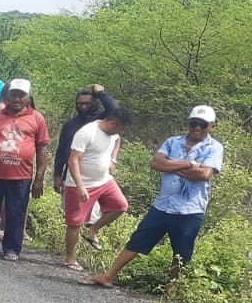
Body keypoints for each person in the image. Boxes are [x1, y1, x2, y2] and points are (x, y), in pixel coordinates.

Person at [84, 106, 224, 289]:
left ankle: (171, 289)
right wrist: (189, 165)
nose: (197, 128)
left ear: (211, 126)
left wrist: (170, 165)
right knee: (137, 241)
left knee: (181, 253)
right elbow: (156, 163)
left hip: (190, 209)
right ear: (188, 123)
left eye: (202, 124)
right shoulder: (172, 142)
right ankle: (108, 276)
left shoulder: (215, 148)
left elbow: (204, 174)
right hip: (162, 205)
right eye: (193, 123)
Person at [0, 79, 49, 261]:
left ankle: (12, 249)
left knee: (16, 213)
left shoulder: (37, 118)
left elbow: (42, 149)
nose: (17, 98)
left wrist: (39, 178)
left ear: (28, 97)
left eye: (21, 95)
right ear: (7, 96)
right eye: (13, 94)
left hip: (21, 176)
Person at [61, 107, 132, 270]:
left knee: (120, 206)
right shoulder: (87, 132)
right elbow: (73, 160)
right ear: (112, 123)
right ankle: (69, 258)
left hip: (104, 180)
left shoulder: (113, 133)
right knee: (75, 222)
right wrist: (79, 186)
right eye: (121, 128)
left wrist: (113, 160)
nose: (121, 132)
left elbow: (117, 140)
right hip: (81, 183)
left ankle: (92, 230)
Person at [53, 85, 116, 191]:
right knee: (71, 207)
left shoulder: (102, 120)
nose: (83, 106)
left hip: (96, 179)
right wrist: (57, 175)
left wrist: (100, 93)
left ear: (95, 104)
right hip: (71, 177)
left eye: (88, 104)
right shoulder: (70, 124)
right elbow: (61, 151)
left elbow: (114, 109)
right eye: (80, 103)